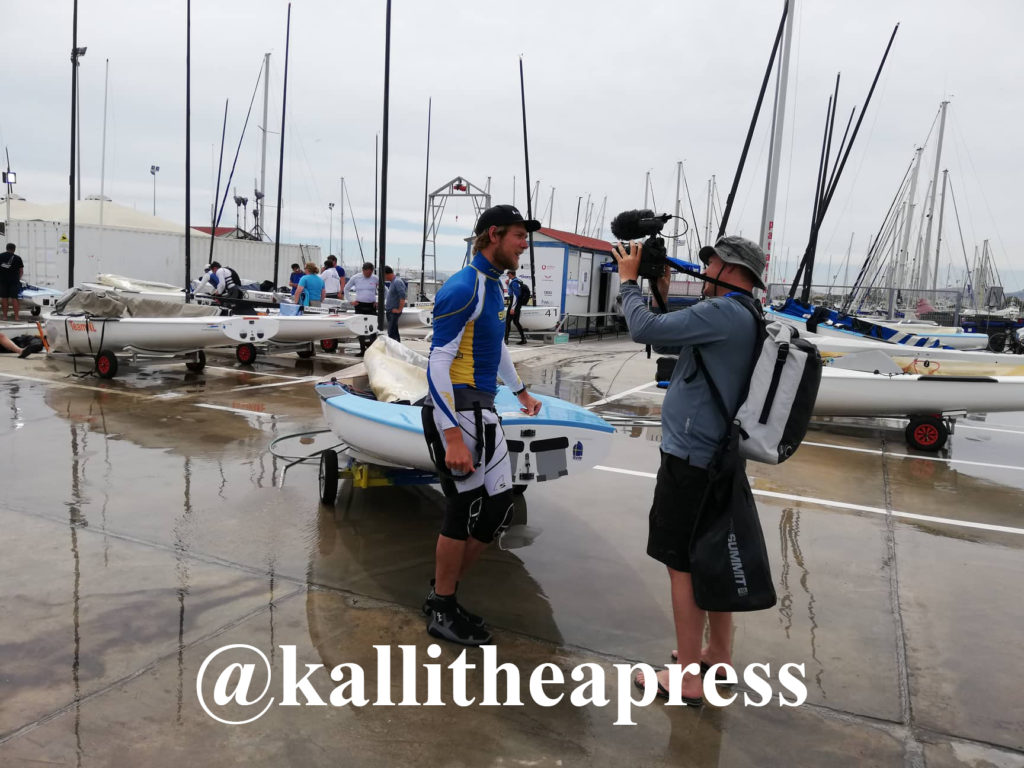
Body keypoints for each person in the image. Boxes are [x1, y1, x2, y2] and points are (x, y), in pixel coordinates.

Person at [612, 234, 764, 706]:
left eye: (711, 264)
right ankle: (717, 656)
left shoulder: (723, 312)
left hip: (692, 459)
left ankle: (687, 679)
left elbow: (642, 330)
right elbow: (666, 332)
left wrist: (628, 283)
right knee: (710, 556)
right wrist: (657, 290)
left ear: (730, 269)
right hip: (717, 456)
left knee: (682, 565)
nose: (705, 271)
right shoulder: (745, 313)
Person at [421, 204, 543, 646]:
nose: (524, 244)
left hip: (484, 411)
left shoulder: (496, 285)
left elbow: (497, 346)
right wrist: (452, 435)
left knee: (498, 509)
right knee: (461, 511)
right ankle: (442, 605)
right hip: (460, 413)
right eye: (519, 236)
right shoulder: (463, 286)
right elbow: (437, 363)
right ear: (494, 235)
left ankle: (442, 591)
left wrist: (520, 391)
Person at [346, 261, 378, 355]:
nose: (368, 274)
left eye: (370, 273)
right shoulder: (356, 277)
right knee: (360, 328)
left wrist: (379, 301)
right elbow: (346, 288)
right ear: (363, 270)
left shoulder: (375, 278)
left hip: (371, 306)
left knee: (373, 329)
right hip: (359, 305)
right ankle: (362, 350)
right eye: (366, 273)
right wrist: (350, 301)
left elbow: (385, 290)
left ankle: (373, 351)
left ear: (372, 271)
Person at [1, 243, 25, 320]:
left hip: (3, 281)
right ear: (14, 249)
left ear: (6, 248)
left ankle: (5, 317)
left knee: (4, 298)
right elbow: (21, 271)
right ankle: (16, 317)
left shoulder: (0, 256)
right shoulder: (18, 258)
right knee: (14, 298)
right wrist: (18, 279)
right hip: (14, 281)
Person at [504, 269, 528, 345]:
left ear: (510, 274)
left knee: (507, 322)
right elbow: (513, 292)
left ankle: (505, 340)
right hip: (518, 304)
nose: (507, 275)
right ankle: (523, 339)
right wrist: (507, 284)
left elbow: (515, 296)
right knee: (516, 322)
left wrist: (512, 308)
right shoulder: (518, 280)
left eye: (508, 274)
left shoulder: (514, 282)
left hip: (514, 303)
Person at [383, 265, 407, 342]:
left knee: (391, 332)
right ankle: (397, 346)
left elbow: (402, 296)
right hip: (390, 311)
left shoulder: (397, 281)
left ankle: (394, 347)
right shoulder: (393, 282)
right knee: (394, 332)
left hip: (394, 312)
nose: (383, 277)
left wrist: (399, 310)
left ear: (386, 274)